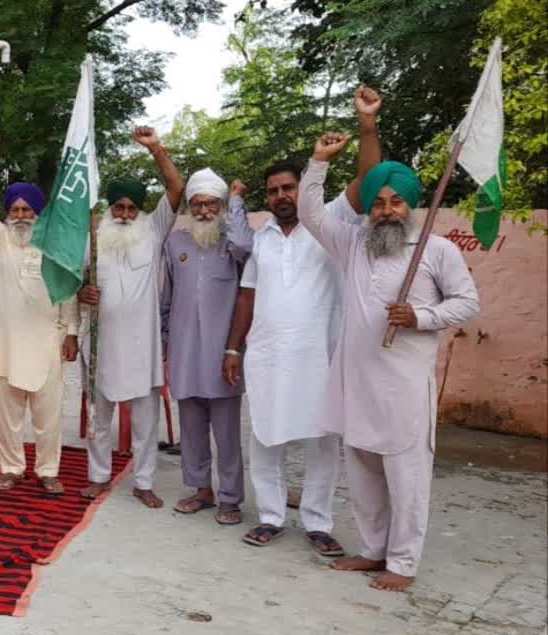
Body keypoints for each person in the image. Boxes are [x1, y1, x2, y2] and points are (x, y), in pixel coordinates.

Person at [299, 127, 480, 592]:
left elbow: (466, 302)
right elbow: (310, 214)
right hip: (356, 382)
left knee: (406, 476)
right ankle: (372, 549)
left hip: (403, 386)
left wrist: (419, 315)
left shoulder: (436, 251)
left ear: (411, 205)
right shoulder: (353, 244)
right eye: (378, 203)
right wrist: (319, 161)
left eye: (395, 202)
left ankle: (402, 562)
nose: (385, 211)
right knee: (361, 471)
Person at [224, 86, 383, 556]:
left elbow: (369, 180)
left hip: (321, 355)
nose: (280, 196)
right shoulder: (262, 239)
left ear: (303, 189)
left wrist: (366, 125)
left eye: (288, 188)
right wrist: (234, 348)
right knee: (266, 436)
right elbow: (246, 297)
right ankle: (271, 516)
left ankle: (317, 521)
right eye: (272, 191)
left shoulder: (330, 219)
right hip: (269, 355)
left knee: (320, 442)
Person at [77, 126, 183, 506]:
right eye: (118, 208)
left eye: (130, 208)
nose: (124, 215)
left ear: (140, 210)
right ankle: (98, 476)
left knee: (144, 421)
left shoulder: (153, 230)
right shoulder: (93, 234)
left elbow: (175, 188)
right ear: (109, 208)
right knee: (99, 417)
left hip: (142, 347)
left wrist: (155, 148)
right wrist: (82, 293)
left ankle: (143, 482)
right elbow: (76, 283)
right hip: (101, 343)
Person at [0, 133, 80, 496]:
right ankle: (11, 468)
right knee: (8, 416)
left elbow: (68, 292)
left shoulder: (53, 244)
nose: (20, 216)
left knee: (48, 417)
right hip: (5, 340)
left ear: (37, 213)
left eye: (26, 210)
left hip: (47, 341)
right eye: (15, 210)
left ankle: (48, 470)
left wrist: (73, 332)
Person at [161, 168, 253, 525]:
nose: (202, 211)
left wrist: (237, 203)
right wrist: (164, 343)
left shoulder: (233, 243)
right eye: (197, 204)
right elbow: (167, 298)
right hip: (185, 350)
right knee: (192, 425)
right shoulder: (176, 243)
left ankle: (230, 497)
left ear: (221, 206)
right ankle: (201, 489)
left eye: (210, 203)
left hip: (223, 354)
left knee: (227, 430)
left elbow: (247, 245)